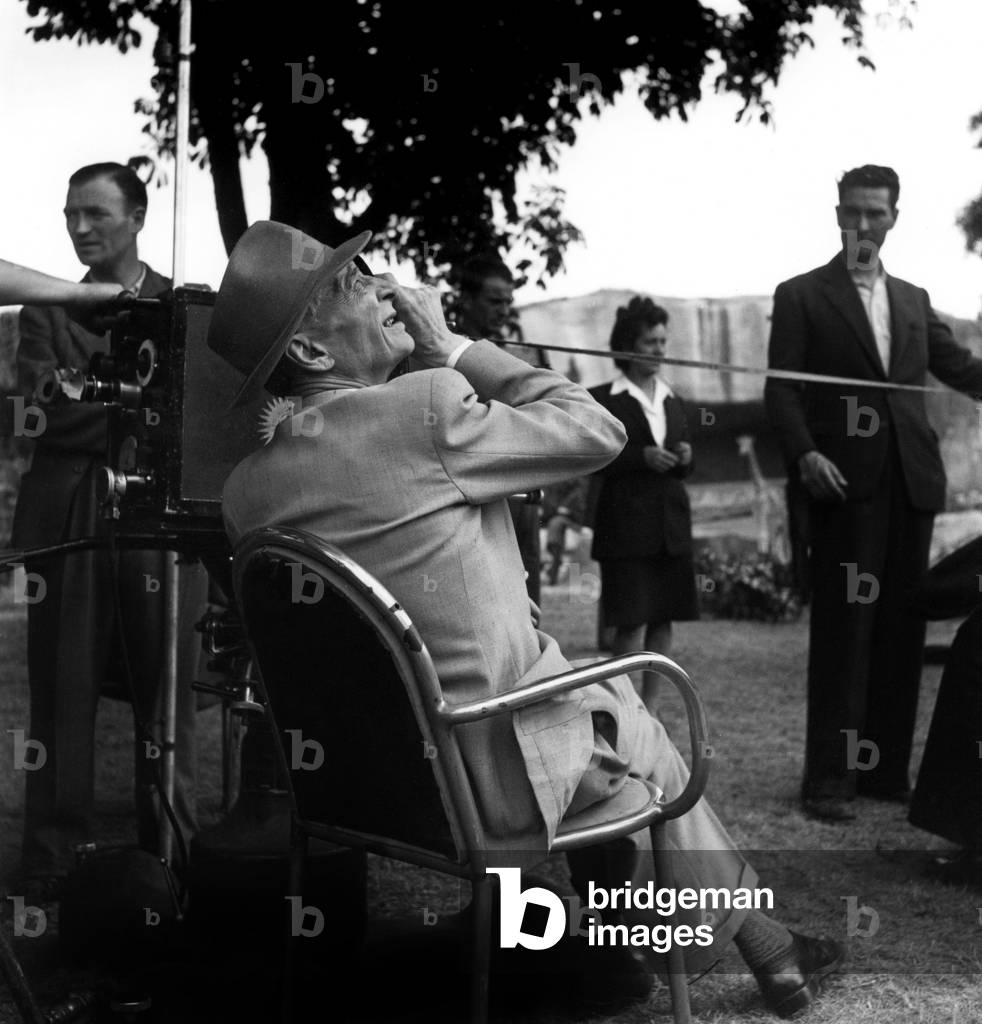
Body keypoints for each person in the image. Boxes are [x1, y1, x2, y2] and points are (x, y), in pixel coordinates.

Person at [208, 220, 844, 1019]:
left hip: (364, 791)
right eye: (349, 284)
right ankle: (751, 940)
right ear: (308, 354)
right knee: (632, 716)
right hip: (496, 783)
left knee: (604, 709)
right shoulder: (425, 406)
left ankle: (731, 939)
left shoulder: (244, 493)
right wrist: (457, 346)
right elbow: (597, 429)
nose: (379, 284)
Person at [8, 162, 207, 896]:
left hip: (160, 513)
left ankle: (172, 850)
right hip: (71, 511)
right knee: (64, 687)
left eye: (96, 213)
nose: (81, 228)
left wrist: (98, 398)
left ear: (137, 217)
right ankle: (54, 861)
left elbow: (198, 415)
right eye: (70, 215)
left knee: (170, 685)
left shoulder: (178, 308)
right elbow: (40, 411)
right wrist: (144, 406)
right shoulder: (47, 309)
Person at [764, 164, 982, 823]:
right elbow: (780, 389)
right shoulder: (802, 295)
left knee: (901, 630)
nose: (864, 225)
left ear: (894, 218)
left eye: (877, 213)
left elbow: (962, 369)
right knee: (845, 631)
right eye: (853, 212)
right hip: (843, 487)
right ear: (838, 214)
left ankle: (885, 773)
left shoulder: (914, 300)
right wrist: (805, 454)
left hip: (911, 484)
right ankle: (829, 780)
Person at [588, 297, 698, 712]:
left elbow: (688, 467)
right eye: (650, 341)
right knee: (630, 620)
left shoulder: (673, 399)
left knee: (663, 618)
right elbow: (594, 456)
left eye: (662, 341)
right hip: (626, 527)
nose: (658, 350)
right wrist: (640, 457)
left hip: (670, 525)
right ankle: (623, 709)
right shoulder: (605, 398)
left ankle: (649, 711)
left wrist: (685, 458)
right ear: (626, 346)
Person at [452, 254, 546, 605]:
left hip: (523, 493)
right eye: (494, 301)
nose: (503, 310)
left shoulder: (519, 354)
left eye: (508, 301)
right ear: (466, 299)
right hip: (475, 496)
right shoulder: (439, 351)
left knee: (528, 594)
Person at [0, 259, 124, 307]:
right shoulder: (43, 311)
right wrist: (82, 293)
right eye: (71, 216)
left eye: (98, 216)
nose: (81, 229)